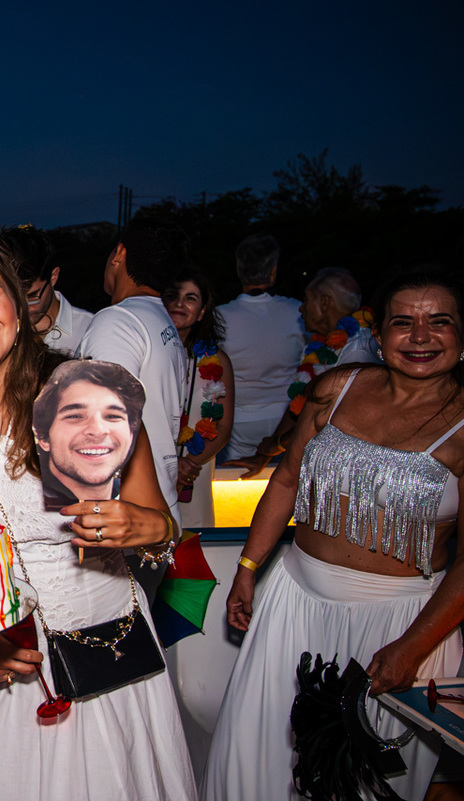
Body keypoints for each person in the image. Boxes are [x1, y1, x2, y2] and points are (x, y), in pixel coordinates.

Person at [0, 233, 197, 800]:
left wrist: (149, 528)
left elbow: (162, 523)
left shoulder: (90, 395)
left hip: (105, 654)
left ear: (17, 301)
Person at [202, 268, 464, 801]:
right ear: (381, 333)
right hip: (293, 602)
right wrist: (248, 570)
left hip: (398, 626)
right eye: (403, 322)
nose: (419, 336)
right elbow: (288, 480)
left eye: (439, 322)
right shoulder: (336, 389)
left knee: (359, 780)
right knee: (257, 762)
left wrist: (412, 648)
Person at [77, 218, 189, 524]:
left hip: (123, 512)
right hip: (156, 504)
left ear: (119, 254)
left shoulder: (118, 322)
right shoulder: (162, 323)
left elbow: (102, 424)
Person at [229, 266, 379, 479]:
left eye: (306, 300)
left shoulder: (360, 351)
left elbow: (330, 420)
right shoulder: (324, 348)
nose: (301, 309)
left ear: (325, 303)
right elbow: (301, 405)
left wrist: (278, 445)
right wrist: (265, 453)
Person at [216, 234, 303, 461]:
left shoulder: (220, 317)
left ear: (238, 269)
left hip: (235, 422)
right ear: (273, 271)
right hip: (285, 422)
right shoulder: (298, 312)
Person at [163, 267, 235, 528]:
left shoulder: (216, 361)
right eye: (173, 296)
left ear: (202, 311)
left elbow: (223, 427)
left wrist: (188, 464)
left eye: (191, 298)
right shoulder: (146, 353)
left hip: (195, 472)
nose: (180, 304)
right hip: (152, 471)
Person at [34, 360, 143, 507]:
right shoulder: (25, 505)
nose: (98, 431)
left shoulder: (130, 497)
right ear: (43, 437)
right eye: (75, 416)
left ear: (131, 435)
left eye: (112, 416)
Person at [0, 224, 93, 354]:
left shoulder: (89, 329)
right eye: (13, 296)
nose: (22, 308)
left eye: (32, 296)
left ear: (53, 277)